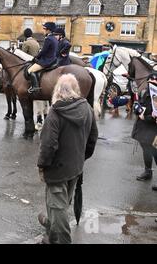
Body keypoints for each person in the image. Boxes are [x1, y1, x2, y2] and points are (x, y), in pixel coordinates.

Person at [37, 74, 98, 244]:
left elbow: (48, 145)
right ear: (76, 89)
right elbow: (93, 137)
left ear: (57, 90)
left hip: (57, 169)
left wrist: (42, 166)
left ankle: (61, 238)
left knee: (58, 207)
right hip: (75, 167)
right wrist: (81, 157)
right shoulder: (87, 108)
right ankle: (50, 234)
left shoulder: (55, 113)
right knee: (61, 204)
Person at [132, 71, 157, 188]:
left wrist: (146, 117)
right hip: (143, 129)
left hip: (154, 129)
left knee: (155, 152)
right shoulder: (145, 93)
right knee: (146, 150)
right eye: (150, 82)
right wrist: (137, 108)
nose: (151, 84)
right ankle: (148, 171)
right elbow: (139, 104)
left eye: (154, 82)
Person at [27, 22, 58, 93]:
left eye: (44, 29)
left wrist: (36, 57)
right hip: (53, 59)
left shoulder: (48, 39)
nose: (43, 30)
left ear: (48, 30)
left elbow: (43, 51)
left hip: (47, 61)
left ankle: (35, 87)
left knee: (30, 70)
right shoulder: (54, 38)